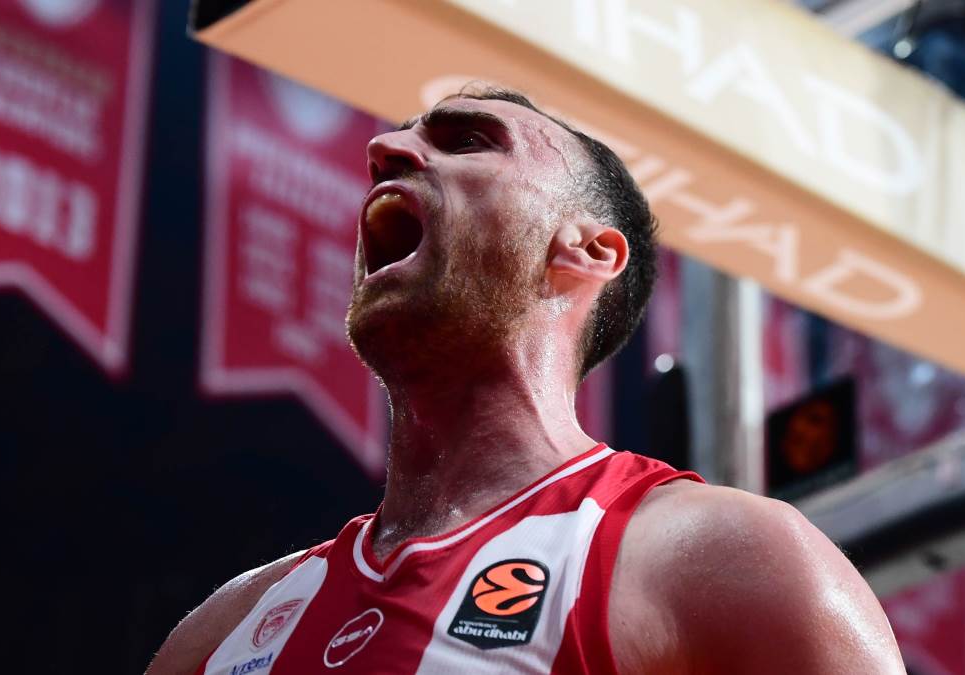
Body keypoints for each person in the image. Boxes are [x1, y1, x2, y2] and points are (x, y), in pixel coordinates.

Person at [147, 88, 906, 674]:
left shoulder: (722, 556)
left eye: (469, 141)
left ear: (587, 252)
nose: (383, 149)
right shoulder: (223, 631)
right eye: (400, 140)